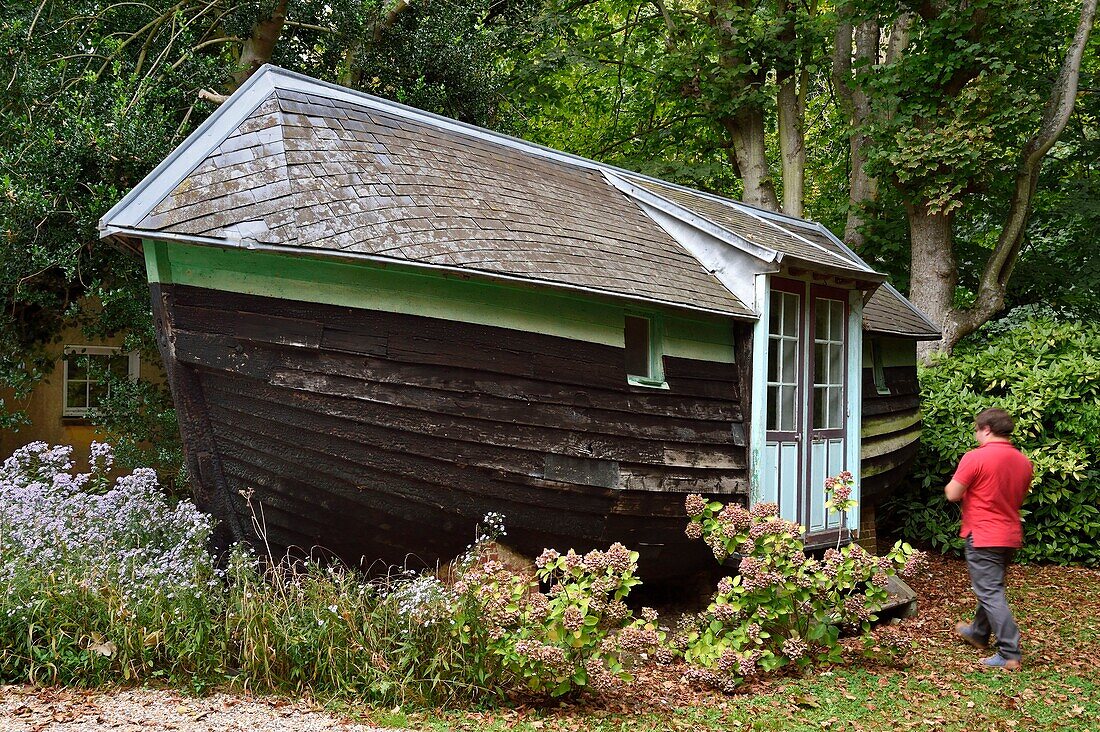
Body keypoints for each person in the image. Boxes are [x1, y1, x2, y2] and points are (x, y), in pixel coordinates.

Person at [944, 407, 1033, 671]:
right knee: (991, 587)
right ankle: (979, 634)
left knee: (990, 591)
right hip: (1010, 534)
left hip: (983, 534)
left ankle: (1009, 653)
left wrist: (955, 484)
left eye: (977, 431)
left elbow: (953, 493)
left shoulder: (976, 458)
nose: (976, 437)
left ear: (986, 429)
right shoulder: (1023, 462)